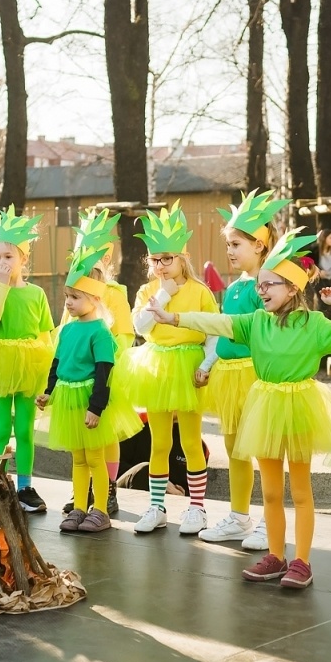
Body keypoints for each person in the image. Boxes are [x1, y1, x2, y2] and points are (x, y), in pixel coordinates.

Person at [153, 229, 331, 589]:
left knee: (300, 491)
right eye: (260, 285)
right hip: (265, 406)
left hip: (298, 407)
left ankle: (302, 561)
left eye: (270, 285)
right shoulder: (257, 322)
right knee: (268, 492)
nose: (261, 291)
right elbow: (218, 323)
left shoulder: (314, 325)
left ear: (293, 288)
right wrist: (173, 318)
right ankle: (277, 556)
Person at [121, 202, 219, 535]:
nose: (161, 265)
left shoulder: (201, 291)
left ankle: (197, 508)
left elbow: (213, 332)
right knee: (158, 442)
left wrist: (207, 363)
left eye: (168, 258)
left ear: (182, 258)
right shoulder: (149, 290)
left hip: (189, 365)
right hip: (157, 366)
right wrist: (162, 294)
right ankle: (157, 506)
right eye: (155, 259)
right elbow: (141, 327)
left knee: (191, 440)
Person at [197, 190, 287, 548]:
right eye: (229, 244)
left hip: (256, 375)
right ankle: (238, 516)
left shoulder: (267, 287)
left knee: (264, 450)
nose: (230, 251)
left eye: (237, 243)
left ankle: (269, 520)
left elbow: (271, 333)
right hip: (229, 376)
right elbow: (223, 330)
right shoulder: (234, 289)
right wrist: (208, 362)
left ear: (260, 245)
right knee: (234, 449)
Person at [44, 241, 143, 533]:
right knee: (78, 458)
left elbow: (104, 371)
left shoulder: (99, 332)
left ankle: (100, 509)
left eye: (74, 297)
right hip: (67, 398)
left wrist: (96, 407)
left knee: (96, 457)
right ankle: (78, 508)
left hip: (89, 399)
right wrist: (48, 393)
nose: (68, 303)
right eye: (66, 297)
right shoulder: (69, 330)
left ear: (95, 299)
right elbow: (57, 364)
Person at [0, 207, 55, 513]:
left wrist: (47, 378)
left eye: (8, 256)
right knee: (1, 426)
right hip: (0, 362)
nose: (2, 262)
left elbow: (46, 335)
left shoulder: (36, 294)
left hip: (30, 364)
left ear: (23, 259)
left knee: (26, 428)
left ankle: (25, 487)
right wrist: (2, 286)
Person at [57, 208, 135, 519]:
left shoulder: (111, 293)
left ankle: (108, 489)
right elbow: (66, 326)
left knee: (106, 435)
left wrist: (107, 358)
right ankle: (82, 492)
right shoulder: (74, 293)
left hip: (103, 370)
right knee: (81, 440)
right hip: (76, 373)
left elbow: (124, 332)